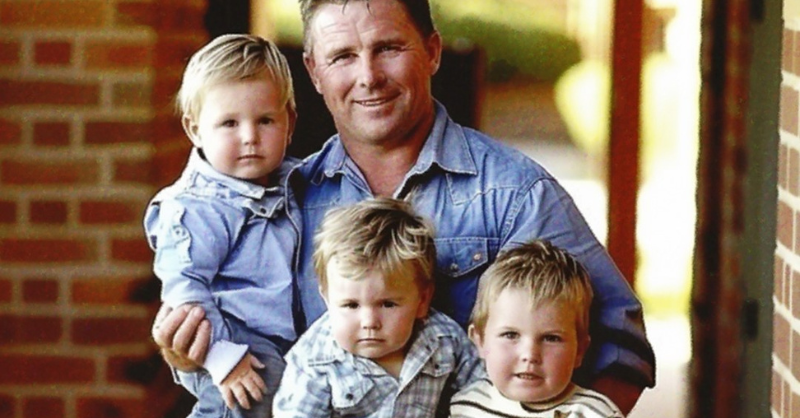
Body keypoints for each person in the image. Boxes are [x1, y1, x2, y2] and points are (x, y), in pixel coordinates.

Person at [151, 0, 657, 412]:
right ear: (314, 71)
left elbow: (620, 349)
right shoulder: (284, 202)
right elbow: (250, 355)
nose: (368, 76)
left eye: (388, 48)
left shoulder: (513, 194)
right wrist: (193, 356)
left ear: (432, 52)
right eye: (342, 56)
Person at [143, 33, 299, 418]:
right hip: (232, 343)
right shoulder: (195, 207)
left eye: (265, 120)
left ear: (289, 122)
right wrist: (224, 358)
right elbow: (184, 290)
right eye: (229, 123)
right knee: (253, 395)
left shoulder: (298, 183)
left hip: (285, 344)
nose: (249, 137)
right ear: (195, 129)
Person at [272, 197, 485, 417]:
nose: (369, 322)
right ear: (327, 299)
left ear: (422, 301)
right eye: (351, 305)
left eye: (387, 304)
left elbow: (481, 391)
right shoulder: (315, 359)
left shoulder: (443, 338)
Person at [450, 240, 624, 418]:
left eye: (551, 338)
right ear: (479, 341)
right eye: (510, 335)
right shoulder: (464, 406)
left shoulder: (594, 413)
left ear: (579, 350)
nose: (530, 355)